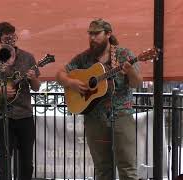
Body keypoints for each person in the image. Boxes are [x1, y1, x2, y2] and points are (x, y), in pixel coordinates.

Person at [56, 18, 143, 180]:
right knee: (102, 168)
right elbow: (60, 73)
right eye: (90, 34)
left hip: (121, 115)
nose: (92, 38)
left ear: (108, 34)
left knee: (127, 168)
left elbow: (137, 83)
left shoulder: (124, 54)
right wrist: (71, 82)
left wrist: (130, 71)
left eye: (96, 34)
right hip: (95, 118)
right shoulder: (85, 57)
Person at [0, 22, 41, 180]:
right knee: (5, 159)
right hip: (3, 116)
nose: (11, 41)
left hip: (25, 116)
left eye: (12, 37)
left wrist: (34, 78)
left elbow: (36, 88)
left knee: (26, 161)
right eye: (6, 38)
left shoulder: (28, 57)